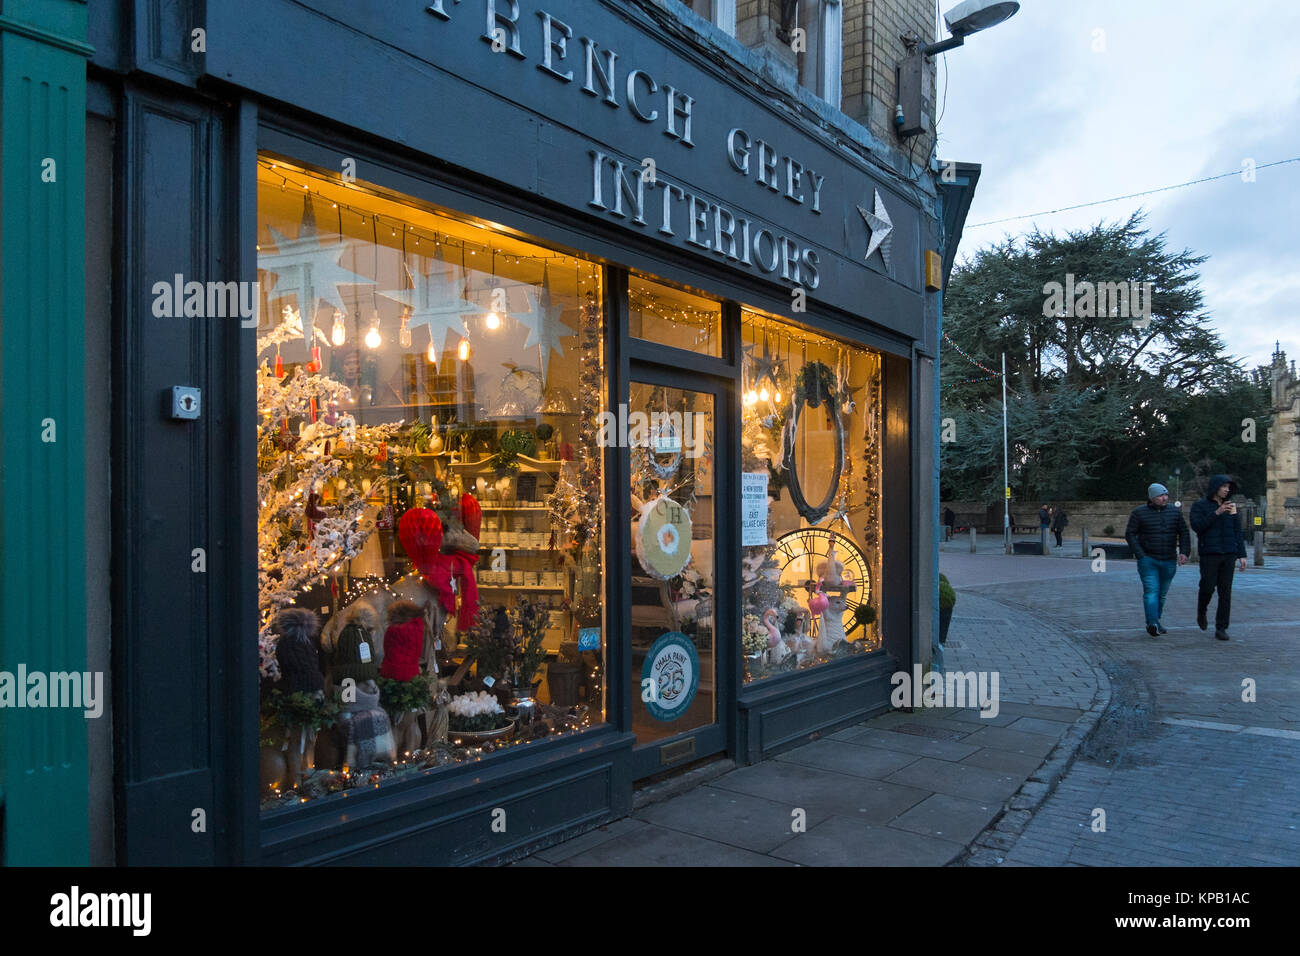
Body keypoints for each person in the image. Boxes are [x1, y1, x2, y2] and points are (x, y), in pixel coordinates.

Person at [1124, 483, 1189, 637]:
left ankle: (1156, 620)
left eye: (1166, 495)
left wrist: (1184, 552)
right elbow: (1130, 534)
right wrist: (1140, 554)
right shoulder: (1139, 513)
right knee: (1151, 591)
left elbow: (1184, 532)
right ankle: (1152, 622)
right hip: (1148, 559)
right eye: (1160, 495)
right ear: (1152, 497)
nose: (1164, 498)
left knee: (1162, 593)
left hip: (1169, 559)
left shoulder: (1174, 512)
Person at [1189, 475, 1248, 641]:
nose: (1227, 490)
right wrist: (1217, 513)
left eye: (1229, 488)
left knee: (1225, 592)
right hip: (1210, 553)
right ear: (1216, 487)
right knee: (1207, 587)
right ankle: (1202, 611)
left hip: (1229, 554)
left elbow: (1237, 532)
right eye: (1224, 487)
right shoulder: (1200, 506)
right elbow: (1197, 526)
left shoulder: (1231, 507)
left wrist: (1242, 555)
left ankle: (1221, 627)